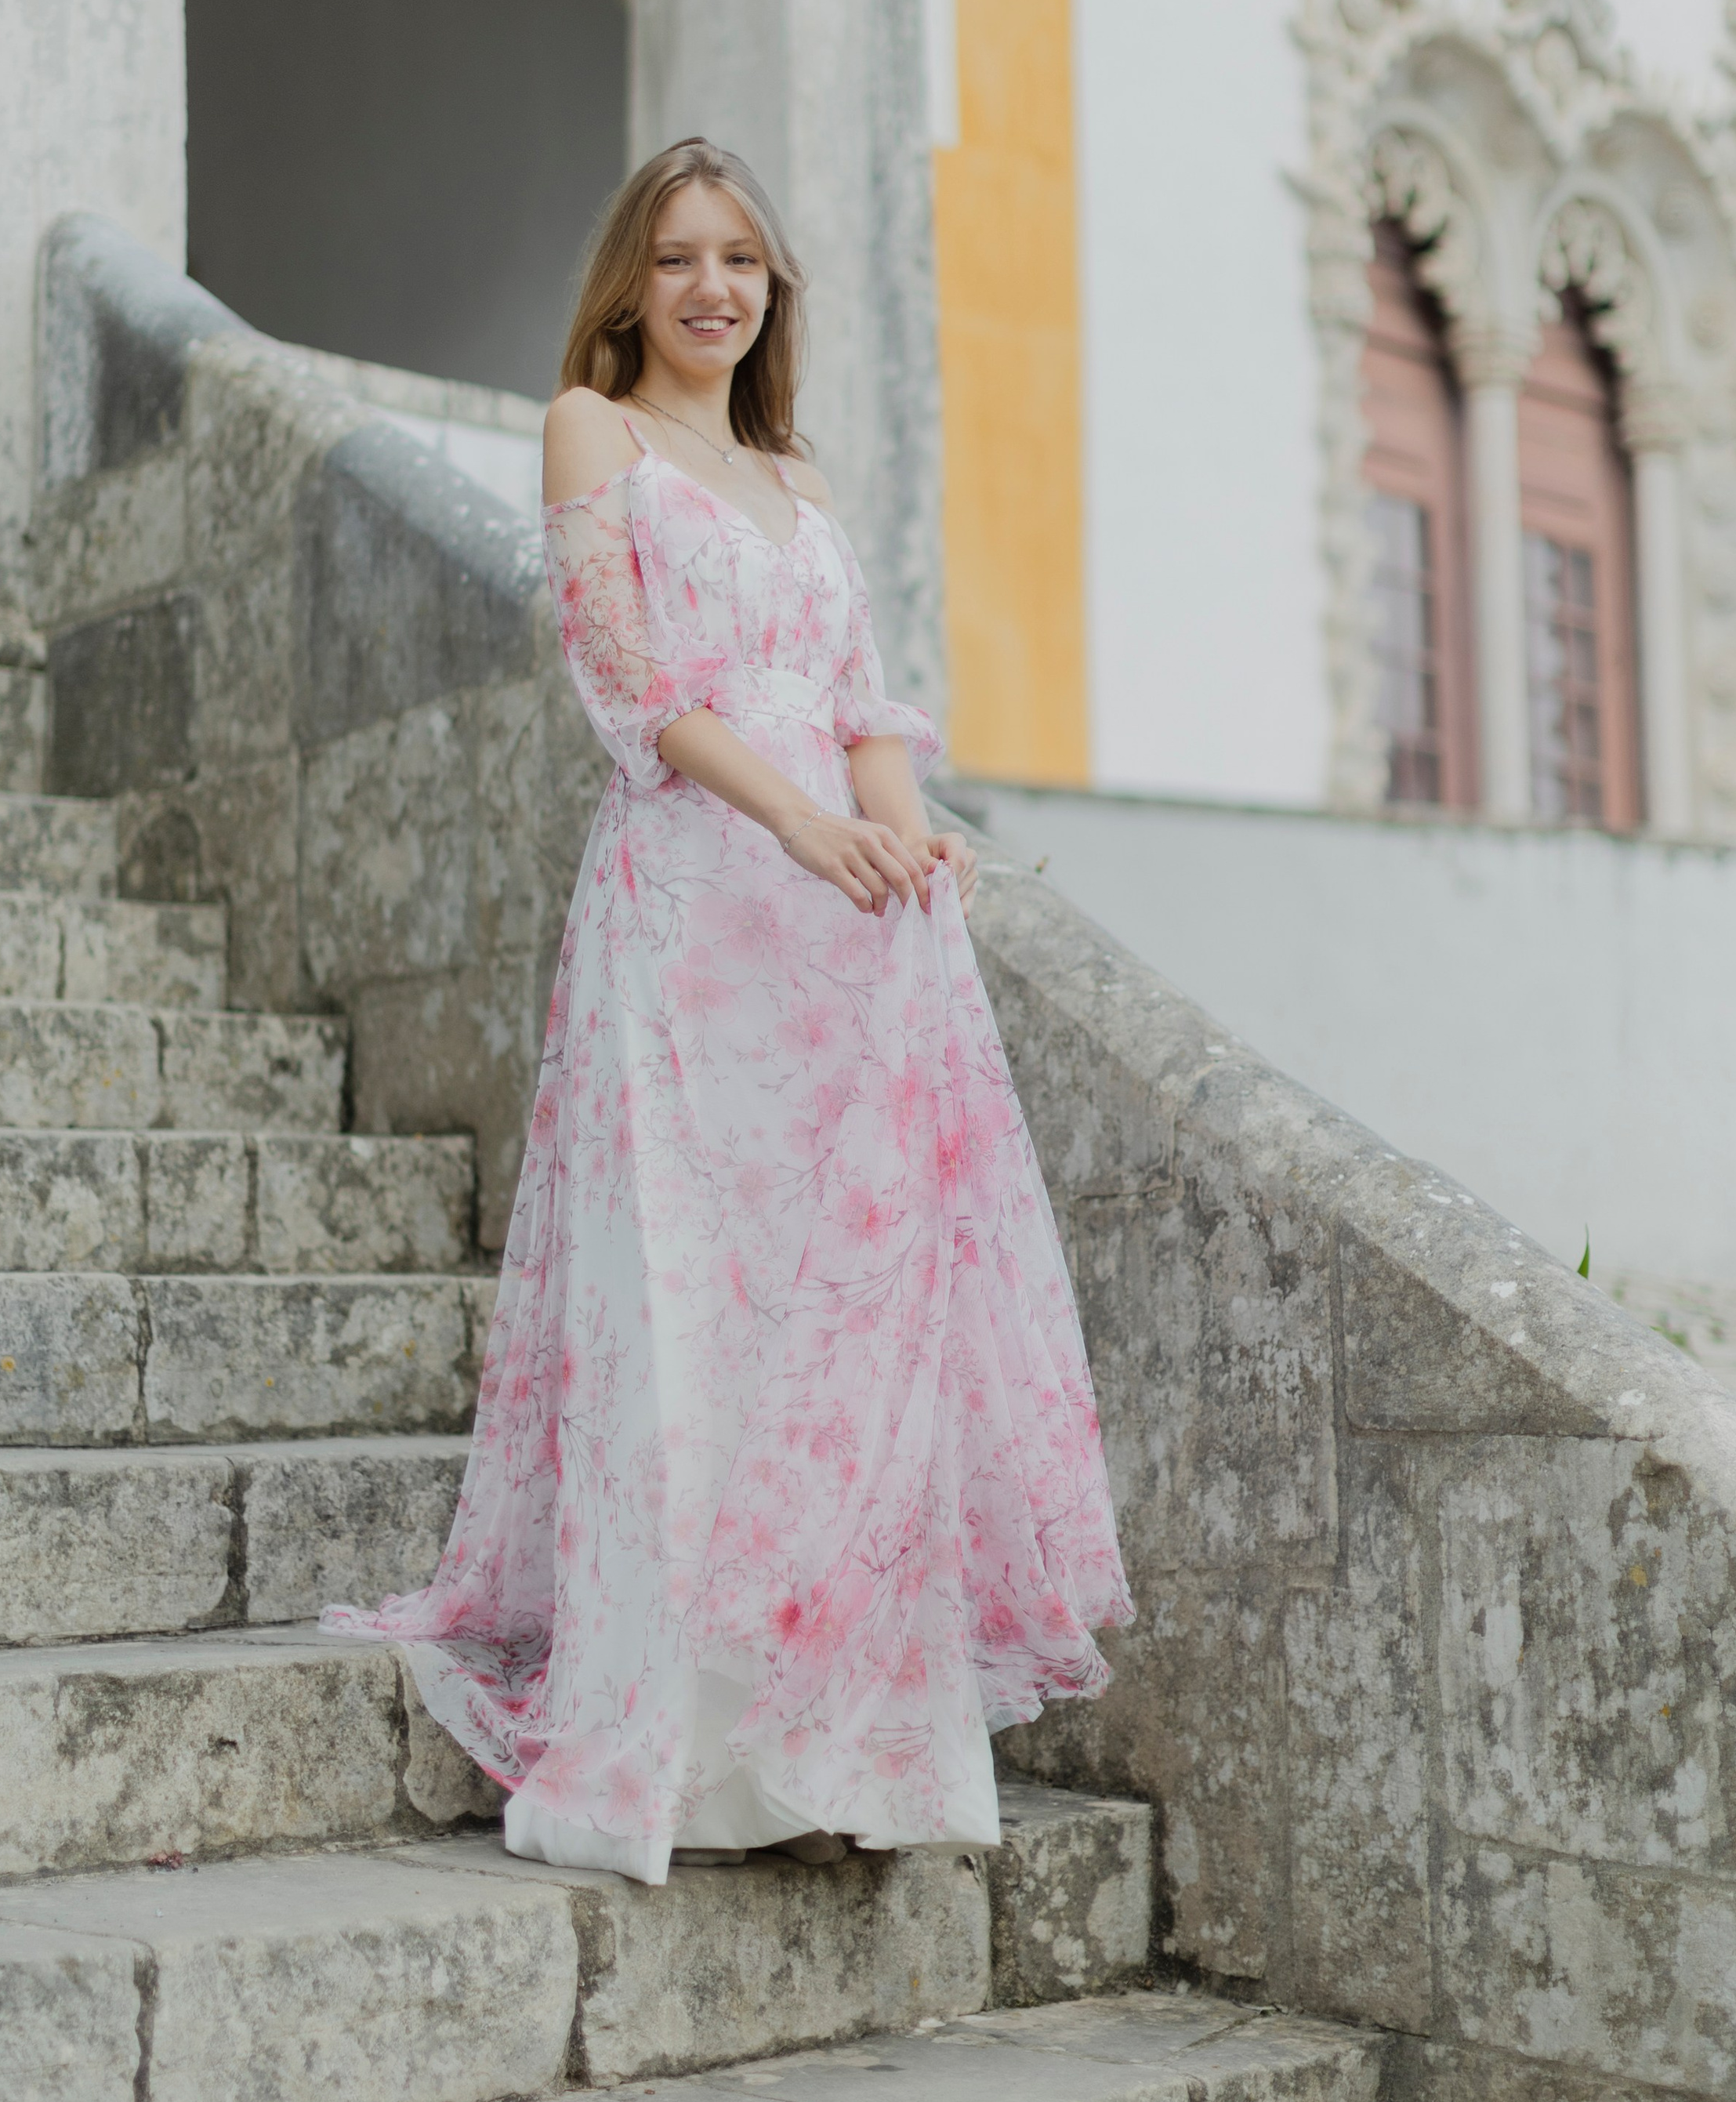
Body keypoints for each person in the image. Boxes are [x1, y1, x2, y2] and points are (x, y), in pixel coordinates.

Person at [325, 138, 1132, 1882]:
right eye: (679, 258)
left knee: (831, 1327)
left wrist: (910, 848)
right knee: (684, 1310)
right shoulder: (588, 431)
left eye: (742, 262)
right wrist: (804, 824)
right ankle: (680, 1753)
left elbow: (854, 699)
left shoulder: (794, 471)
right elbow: (628, 685)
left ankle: (841, 1746)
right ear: (630, 281)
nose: (711, 288)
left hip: (834, 937)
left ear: (771, 291)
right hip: (692, 911)